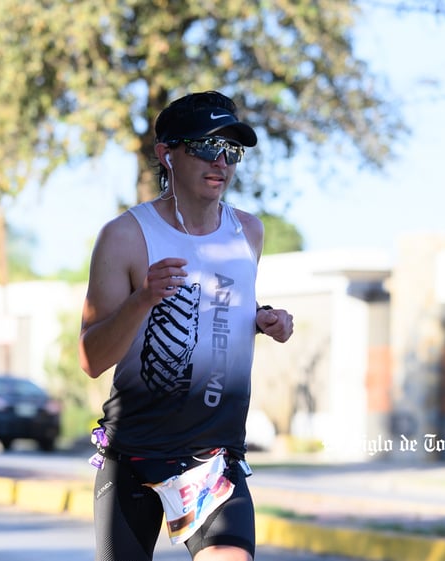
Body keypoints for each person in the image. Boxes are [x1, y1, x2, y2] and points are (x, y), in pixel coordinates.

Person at [79, 90, 294, 561]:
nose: (220, 161)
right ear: (166, 153)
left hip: (213, 457)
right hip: (136, 453)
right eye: (203, 146)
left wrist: (262, 319)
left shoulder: (248, 232)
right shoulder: (125, 236)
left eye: (231, 151)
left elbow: (220, 307)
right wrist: (143, 300)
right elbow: (91, 358)